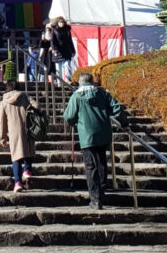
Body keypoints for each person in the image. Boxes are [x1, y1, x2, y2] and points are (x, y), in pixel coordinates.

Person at [63, 72, 129, 210]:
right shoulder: (102, 93)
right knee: (101, 162)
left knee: (91, 166)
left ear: (80, 83)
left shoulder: (76, 96)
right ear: (92, 82)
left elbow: (68, 116)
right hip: (103, 133)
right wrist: (124, 123)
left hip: (86, 135)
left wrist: (75, 121)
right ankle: (102, 191)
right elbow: (117, 107)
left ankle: (95, 199)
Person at [0, 62, 36, 193]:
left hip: (13, 131)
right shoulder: (24, 96)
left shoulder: (4, 101)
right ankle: (28, 170)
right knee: (28, 150)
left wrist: (3, 137)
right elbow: (37, 106)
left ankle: (18, 182)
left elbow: (2, 121)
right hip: (27, 127)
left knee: (16, 157)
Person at [48, 16, 77, 84]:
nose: (62, 23)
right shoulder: (54, 30)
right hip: (58, 51)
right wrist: (54, 49)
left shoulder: (67, 29)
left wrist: (73, 50)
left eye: (63, 22)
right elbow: (52, 41)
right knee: (59, 69)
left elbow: (70, 41)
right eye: (60, 22)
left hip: (66, 51)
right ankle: (59, 83)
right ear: (57, 23)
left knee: (67, 66)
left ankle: (68, 80)